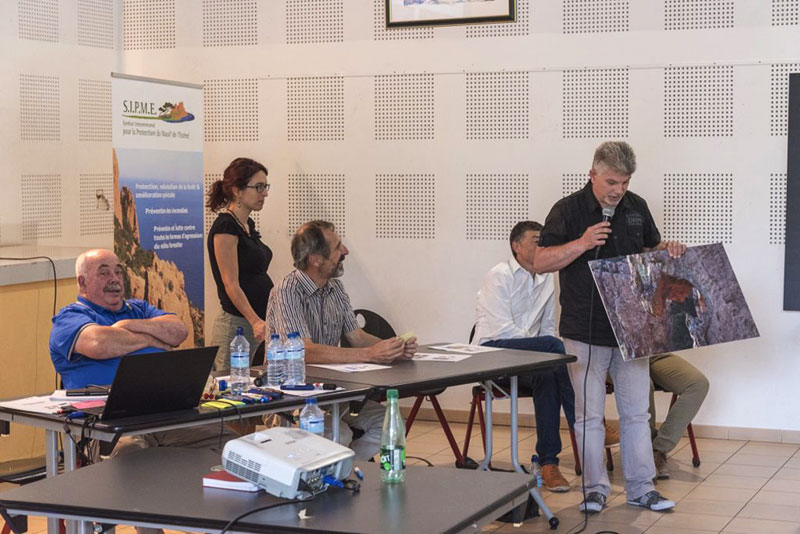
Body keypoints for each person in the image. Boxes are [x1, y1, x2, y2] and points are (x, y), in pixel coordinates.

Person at [535, 141, 686, 513]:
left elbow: (649, 252)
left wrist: (667, 249)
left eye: (625, 181)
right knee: (588, 414)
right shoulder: (567, 210)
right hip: (583, 328)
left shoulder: (637, 208)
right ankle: (595, 488)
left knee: (636, 412)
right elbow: (540, 261)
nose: (618, 190)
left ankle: (641, 487)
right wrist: (583, 243)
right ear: (592, 174)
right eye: (611, 181)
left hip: (632, 327)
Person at [267, 220, 417, 460]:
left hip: (332, 391)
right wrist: (371, 354)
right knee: (340, 434)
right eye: (338, 247)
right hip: (292, 396)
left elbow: (357, 338)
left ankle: (346, 473)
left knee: (390, 422)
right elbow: (303, 351)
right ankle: (327, 477)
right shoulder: (287, 291)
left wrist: (393, 346)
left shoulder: (335, 288)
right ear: (316, 259)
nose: (345, 251)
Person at [472, 220, 575, 492]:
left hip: (529, 356)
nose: (542, 245)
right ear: (517, 246)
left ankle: (548, 463)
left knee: (549, 372)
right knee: (554, 349)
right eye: (535, 240)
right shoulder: (500, 274)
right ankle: (585, 424)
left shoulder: (546, 278)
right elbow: (503, 329)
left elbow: (549, 328)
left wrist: (545, 349)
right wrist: (546, 347)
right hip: (492, 352)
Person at [206, 157, 274, 371]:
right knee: (227, 389)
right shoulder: (225, 227)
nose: (264, 193)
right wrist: (254, 320)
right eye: (259, 187)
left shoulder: (247, 225)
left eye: (265, 186)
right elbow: (231, 283)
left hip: (254, 324)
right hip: (237, 325)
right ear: (237, 190)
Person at [649, 353, 709, 479]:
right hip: (615, 354)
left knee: (698, 384)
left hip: (651, 352)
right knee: (641, 384)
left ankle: (658, 449)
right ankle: (643, 451)